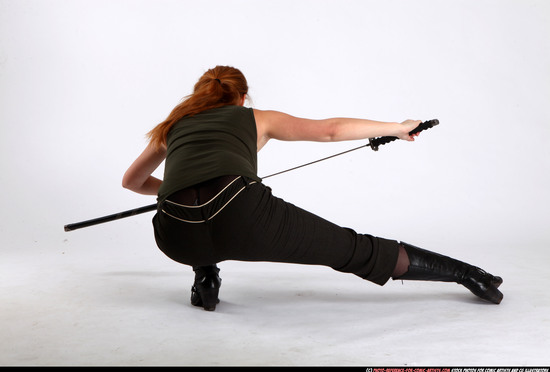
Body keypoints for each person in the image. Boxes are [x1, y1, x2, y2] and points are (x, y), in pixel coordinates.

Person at [122, 65, 503, 311]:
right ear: (242, 98)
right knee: (354, 249)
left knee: (201, 222)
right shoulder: (256, 118)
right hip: (244, 219)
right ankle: (472, 275)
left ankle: (205, 277)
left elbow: (132, 182)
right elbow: (329, 130)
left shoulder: (171, 126)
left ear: (199, 97)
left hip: (175, 236)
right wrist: (397, 128)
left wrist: (173, 189)